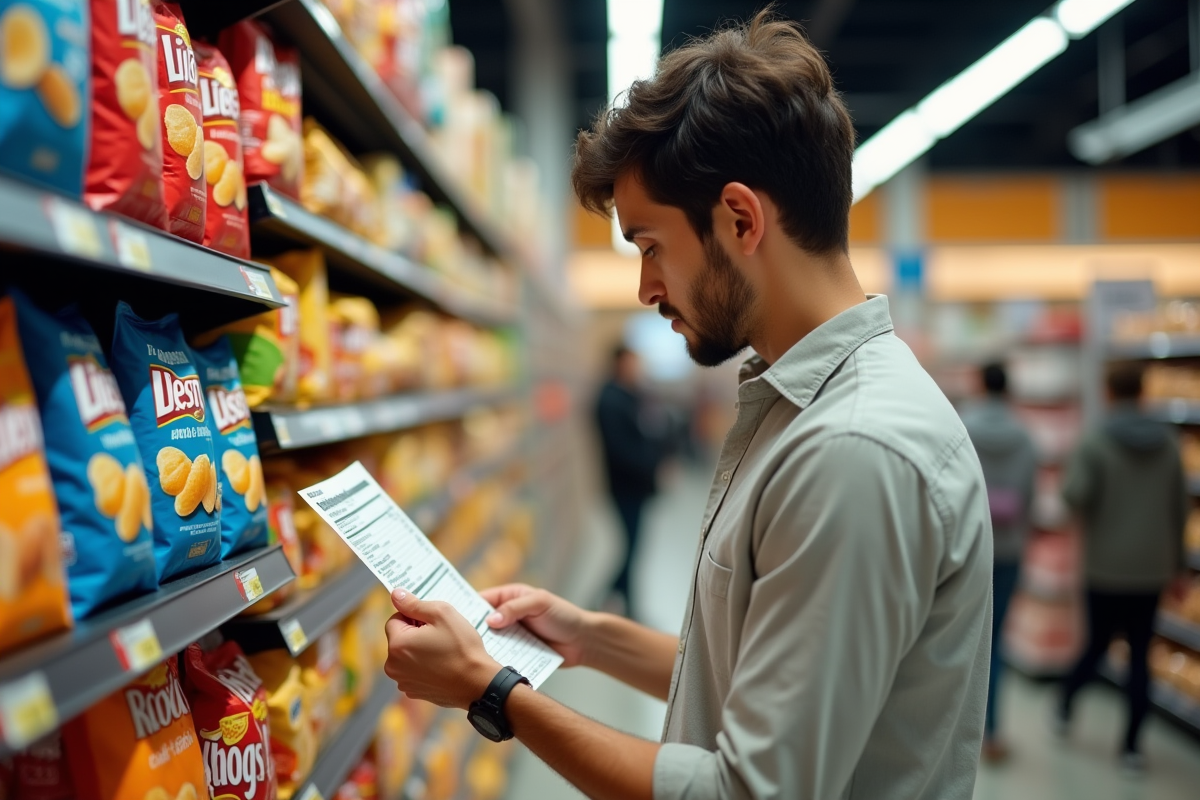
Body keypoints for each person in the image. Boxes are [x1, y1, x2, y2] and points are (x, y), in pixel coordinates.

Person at [382, 12, 993, 799]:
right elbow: (763, 678)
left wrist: (493, 694)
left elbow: (748, 790)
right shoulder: (795, 407)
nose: (645, 290)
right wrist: (590, 639)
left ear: (740, 220)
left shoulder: (853, 449)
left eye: (649, 246)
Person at [1057, 363, 1190, 773]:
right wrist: (1178, 565)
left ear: (1109, 393)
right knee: (1139, 656)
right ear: (1144, 392)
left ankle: (1064, 704)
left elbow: (1074, 495)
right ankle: (1132, 746)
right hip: (1152, 568)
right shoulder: (1168, 444)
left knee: (1097, 645)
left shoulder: (1096, 442)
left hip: (1106, 566)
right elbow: (1180, 508)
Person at [960, 362, 1038, 763]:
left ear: (979, 384)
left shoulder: (962, 426)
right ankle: (993, 730)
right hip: (1008, 548)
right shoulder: (1025, 436)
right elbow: (1029, 494)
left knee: (965, 639)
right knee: (998, 640)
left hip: (970, 544)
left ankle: (961, 732)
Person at [594, 344, 665, 616]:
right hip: (624, 487)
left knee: (634, 547)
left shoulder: (632, 395)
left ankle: (617, 600)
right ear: (619, 363)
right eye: (632, 363)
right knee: (631, 548)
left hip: (637, 486)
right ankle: (620, 603)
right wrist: (653, 465)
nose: (638, 369)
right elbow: (621, 449)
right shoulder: (610, 400)